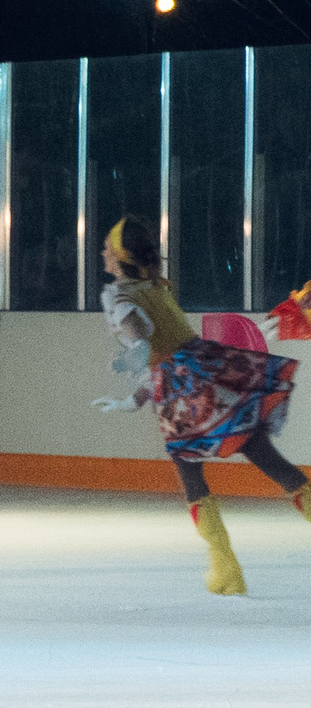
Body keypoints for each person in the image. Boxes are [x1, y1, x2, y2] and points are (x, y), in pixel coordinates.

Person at [95, 216, 307, 596]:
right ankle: (226, 567)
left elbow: (143, 341)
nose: (102, 253)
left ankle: (225, 567)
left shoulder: (117, 294)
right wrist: (135, 396)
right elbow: (157, 345)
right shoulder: (156, 287)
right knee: (260, 451)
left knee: (190, 472)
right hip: (209, 366)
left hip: (180, 385)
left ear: (121, 255)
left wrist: (134, 371)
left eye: (108, 247)